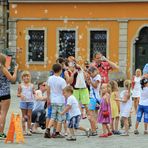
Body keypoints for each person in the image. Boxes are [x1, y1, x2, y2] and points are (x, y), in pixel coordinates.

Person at [44, 63, 67, 138]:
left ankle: (47, 129)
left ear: (53, 70)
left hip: (53, 100)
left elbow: (48, 90)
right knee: (60, 117)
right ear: (60, 70)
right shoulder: (62, 80)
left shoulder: (50, 78)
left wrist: (48, 99)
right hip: (60, 100)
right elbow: (64, 92)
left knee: (53, 116)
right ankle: (57, 132)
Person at [0, 53, 18, 139]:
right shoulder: (2, 68)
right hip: (5, 94)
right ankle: (1, 133)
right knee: (3, 114)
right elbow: (13, 79)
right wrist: (15, 70)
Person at [17, 71, 35, 136]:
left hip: (30, 102)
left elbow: (34, 93)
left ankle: (28, 130)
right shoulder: (20, 85)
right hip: (23, 102)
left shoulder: (32, 85)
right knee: (24, 116)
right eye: (24, 76)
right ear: (22, 78)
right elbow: (18, 94)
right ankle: (24, 130)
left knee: (29, 116)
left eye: (27, 76)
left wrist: (35, 93)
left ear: (29, 77)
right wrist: (20, 95)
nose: (26, 77)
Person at [86, 66, 101, 136]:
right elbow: (90, 85)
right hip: (92, 97)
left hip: (94, 98)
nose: (91, 74)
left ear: (95, 71)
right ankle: (94, 127)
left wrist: (91, 80)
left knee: (90, 114)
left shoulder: (97, 77)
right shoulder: (92, 77)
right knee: (93, 114)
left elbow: (95, 85)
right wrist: (88, 80)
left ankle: (94, 130)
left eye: (91, 73)